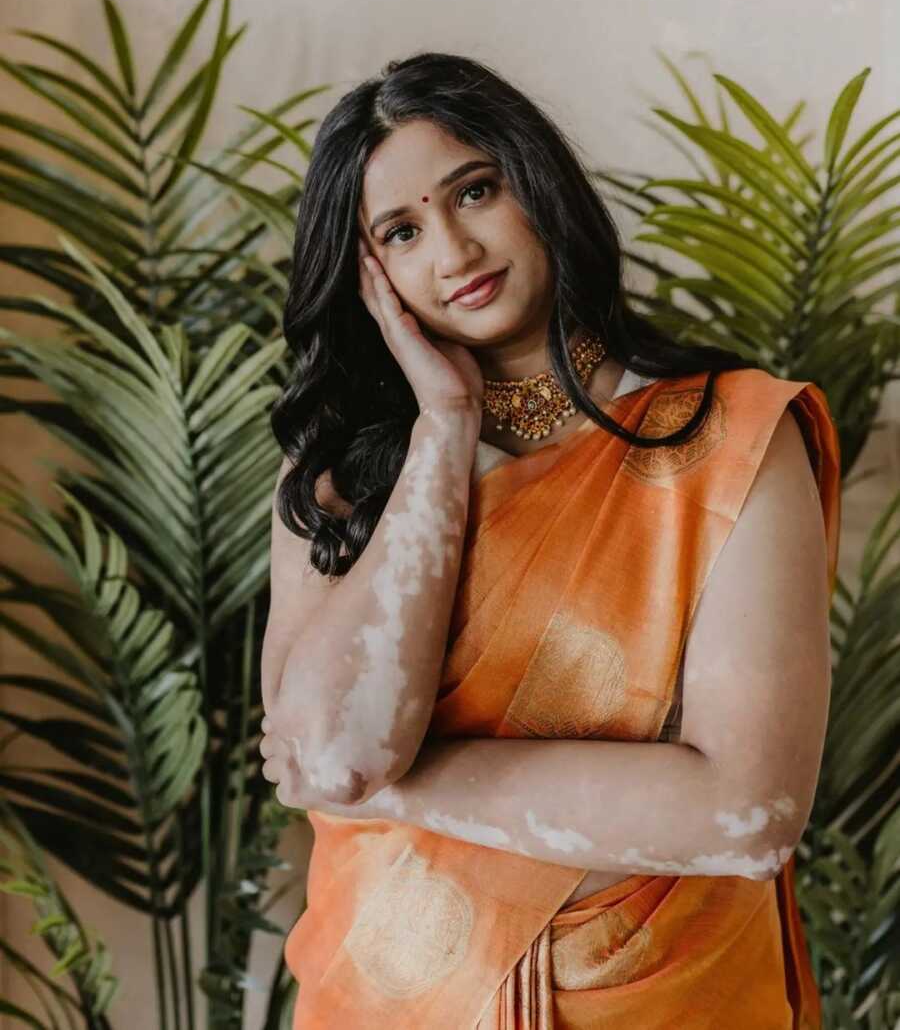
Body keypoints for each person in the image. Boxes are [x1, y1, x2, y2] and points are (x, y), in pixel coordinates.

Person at [258, 52, 840, 1028]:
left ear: (535, 181)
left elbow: (742, 812)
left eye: (474, 191)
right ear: (370, 277)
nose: (454, 248)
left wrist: (402, 785)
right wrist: (444, 429)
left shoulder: (731, 436)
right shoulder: (337, 480)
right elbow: (332, 747)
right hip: (385, 999)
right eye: (401, 231)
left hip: (666, 1001)